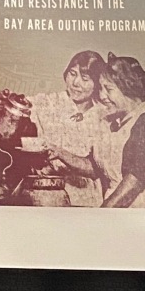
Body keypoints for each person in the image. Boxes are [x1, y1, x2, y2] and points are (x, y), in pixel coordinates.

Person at [29, 50, 112, 206]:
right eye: (72, 74)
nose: (75, 83)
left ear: (97, 83)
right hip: (44, 195)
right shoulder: (49, 102)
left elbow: (99, 169)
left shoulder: (103, 116)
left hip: (85, 199)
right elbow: (21, 106)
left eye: (85, 79)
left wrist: (62, 154)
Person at [98, 54, 145, 207]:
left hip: (137, 205)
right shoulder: (116, 122)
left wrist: (105, 210)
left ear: (128, 87)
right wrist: (57, 152)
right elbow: (96, 167)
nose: (101, 96)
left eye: (108, 89)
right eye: (101, 89)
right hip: (116, 204)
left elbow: (136, 179)